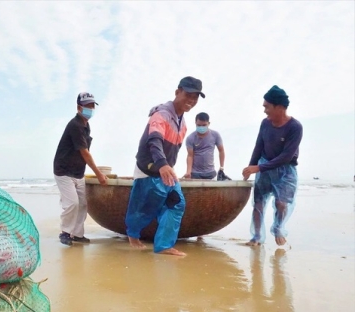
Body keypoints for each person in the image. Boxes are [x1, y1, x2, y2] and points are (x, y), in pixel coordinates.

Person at [125, 76, 205, 256]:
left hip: (166, 171)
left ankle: (163, 246)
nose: (191, 101)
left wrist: (169, 167)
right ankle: (133, 235)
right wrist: (161, 164)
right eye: (188, 95)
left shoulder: (182, 122)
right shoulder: (160, 114)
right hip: (149, 169)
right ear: (177, 92)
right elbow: (154, 140)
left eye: (195, 97)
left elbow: (174, 150)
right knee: (145, 206)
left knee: (176, 203)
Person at [242, 85, 303, 246]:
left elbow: (286, 156)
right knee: (259, 203)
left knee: (281, 203)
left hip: (285, 170)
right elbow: (258, 146)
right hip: (264, 167)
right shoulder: (265, 123)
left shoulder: (295, 127)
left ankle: (278, 228)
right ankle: (256, 237)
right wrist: (251, 167)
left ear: (280, 107)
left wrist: (259, 168)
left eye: (267, 107)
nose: (264, 111)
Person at [53, 92, 107, 246]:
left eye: (92, 106)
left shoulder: (86, 125)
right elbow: (85, 153)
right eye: (87, 106)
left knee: (83, 204)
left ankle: (77, 234)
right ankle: (65, 232)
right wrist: (99, 174)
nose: (90, 109)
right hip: (63, 171)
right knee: (72, 203)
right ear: (78, 107)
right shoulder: (75, 125)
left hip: (78, 172)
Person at [183, 112, 231, 180]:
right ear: (195, 124)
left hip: (210, 173)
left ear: (208, 123)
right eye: (199, 125)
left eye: (204, 125)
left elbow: (221, 150)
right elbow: (190, 155)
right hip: (195, 173)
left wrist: (221, 167)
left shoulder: (215, 135)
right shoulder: (190, 138)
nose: (201, 127)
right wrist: (188, 172)